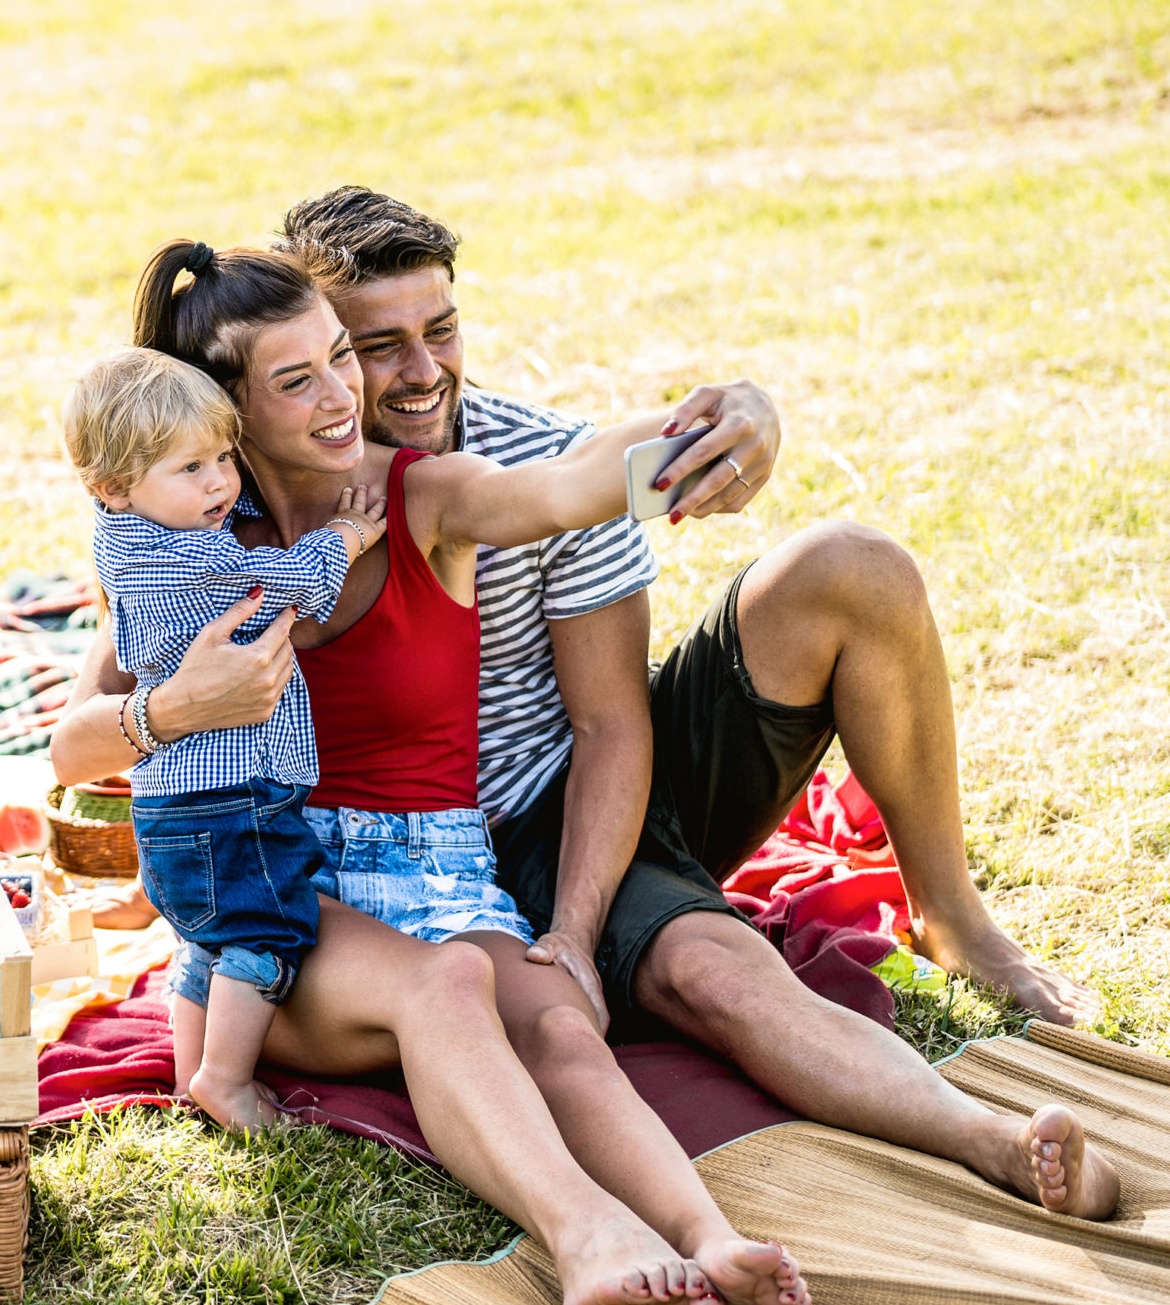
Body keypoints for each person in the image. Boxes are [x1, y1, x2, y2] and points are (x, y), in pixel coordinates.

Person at [277, 185, 1111, 1216]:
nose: (421, 371)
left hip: (562, 801)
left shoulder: (538, 464)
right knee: (702, 973)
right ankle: (977, 1135)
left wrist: (576, 935)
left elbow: (608, 724)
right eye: (378, 346)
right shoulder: (262, 487)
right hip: (388, 851)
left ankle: (967, 994)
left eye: (439, 330)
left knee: (849, 568)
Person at [50, 243, 814, 1305]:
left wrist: (716, 427)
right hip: (288, 895)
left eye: (336, 359)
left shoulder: (415, 492)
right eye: (295, 378)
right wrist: (173, 709)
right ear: (223, 410)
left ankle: (708, 1247)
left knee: (554, 1017)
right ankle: (590, 1244)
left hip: (439, 869)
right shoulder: (185, 550)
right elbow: (68, 751)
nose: (341, 393)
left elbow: (556, 482)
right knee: (447, 984)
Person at [64, 336, 385, 1129]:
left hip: (172, 801)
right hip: (230, 795)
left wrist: (194, 482)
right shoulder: (190, 563)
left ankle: (190, 1077)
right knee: (270, 933)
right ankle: (229, 1079)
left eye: (223, 458)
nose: (220, 484)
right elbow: (296, 584)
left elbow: (203, 506)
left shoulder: (126, 532)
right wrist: (342, 539)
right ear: (114, 484)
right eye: (192, 468)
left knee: (206, 942)